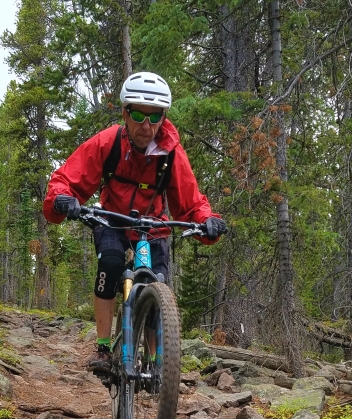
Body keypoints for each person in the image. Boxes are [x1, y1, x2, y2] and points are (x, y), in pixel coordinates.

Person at [43, 71, 227, 373]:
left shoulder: (170, 152)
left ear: (163, 116)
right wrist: (64, 198)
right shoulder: (108, 142)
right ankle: (103, 348)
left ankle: (158, 364)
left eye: (154, 117)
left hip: (152, 225)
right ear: (125, 112)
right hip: (112, 220)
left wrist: (207, 221)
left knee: (158, 284)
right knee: (111, 265)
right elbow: (67, 178)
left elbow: (190, 201)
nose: (146, 126)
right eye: (139, 115)